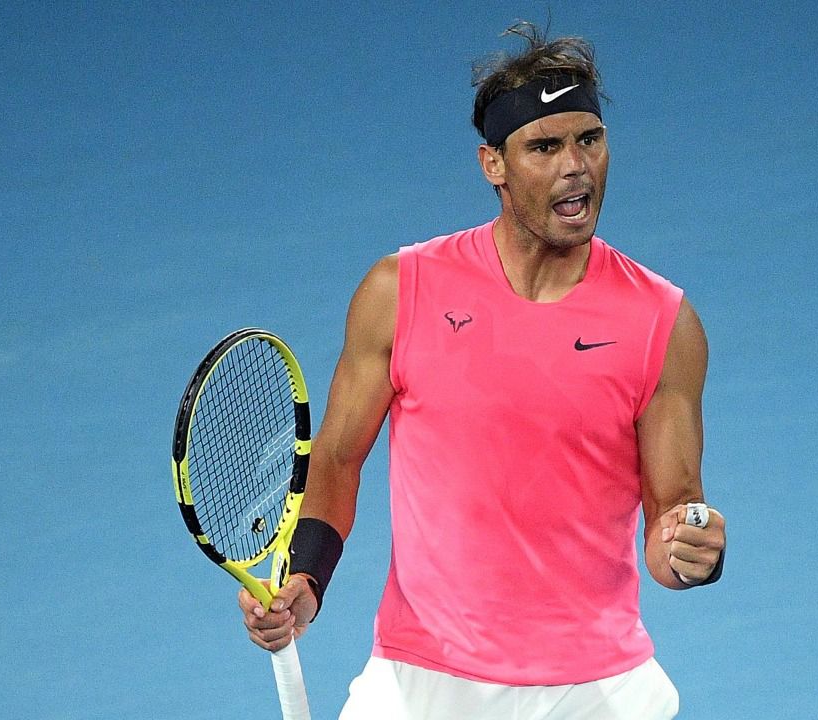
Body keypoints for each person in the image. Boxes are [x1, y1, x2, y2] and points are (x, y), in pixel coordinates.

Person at [238, 23, 726, 719]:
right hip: (421, 676)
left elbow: (670, 517)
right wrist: (305, 578)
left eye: (589, 139)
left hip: (589, 691)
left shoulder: (663, 322)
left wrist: (690, 551)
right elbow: (339, 459)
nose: (576, 167)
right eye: (545, 147)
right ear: (493, 164)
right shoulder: (400, 292)